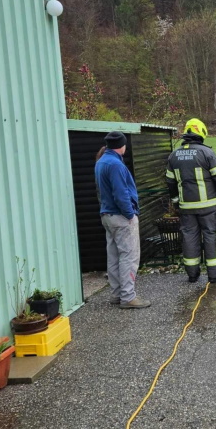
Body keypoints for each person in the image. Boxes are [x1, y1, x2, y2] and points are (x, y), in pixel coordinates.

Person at [165, 118, 216, 284]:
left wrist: (176, 203)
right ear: (201, 133)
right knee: (211, 236)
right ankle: (215, 274)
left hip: (186, 207)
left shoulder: (173, 156)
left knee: (189, 237)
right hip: (209, 207)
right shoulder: (207, 153)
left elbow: (171, 183)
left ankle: (192, 274)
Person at [96, 131, 150, 308]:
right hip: (121, 216)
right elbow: (121, 194)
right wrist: (130, 214)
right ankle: (128, 297)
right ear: (122, 145)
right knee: (129, 256)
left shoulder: (101, 161)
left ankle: (117, 294)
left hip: (107, 215)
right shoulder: (115, 165)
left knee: (113, 256)